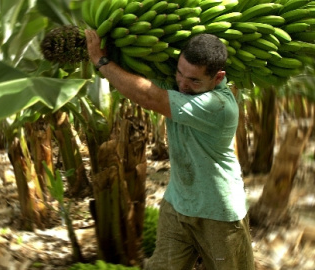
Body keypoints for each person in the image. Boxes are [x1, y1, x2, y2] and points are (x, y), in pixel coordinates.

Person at [85, 29, 255, 270]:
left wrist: (101, 61)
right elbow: (139, 78)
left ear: (218, 78)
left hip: (219, 213)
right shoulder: (180, 85)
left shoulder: (219, 106)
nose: (183, 85)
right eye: (180, 73)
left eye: (194, 80)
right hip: (178, 205)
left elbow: (150, 97)